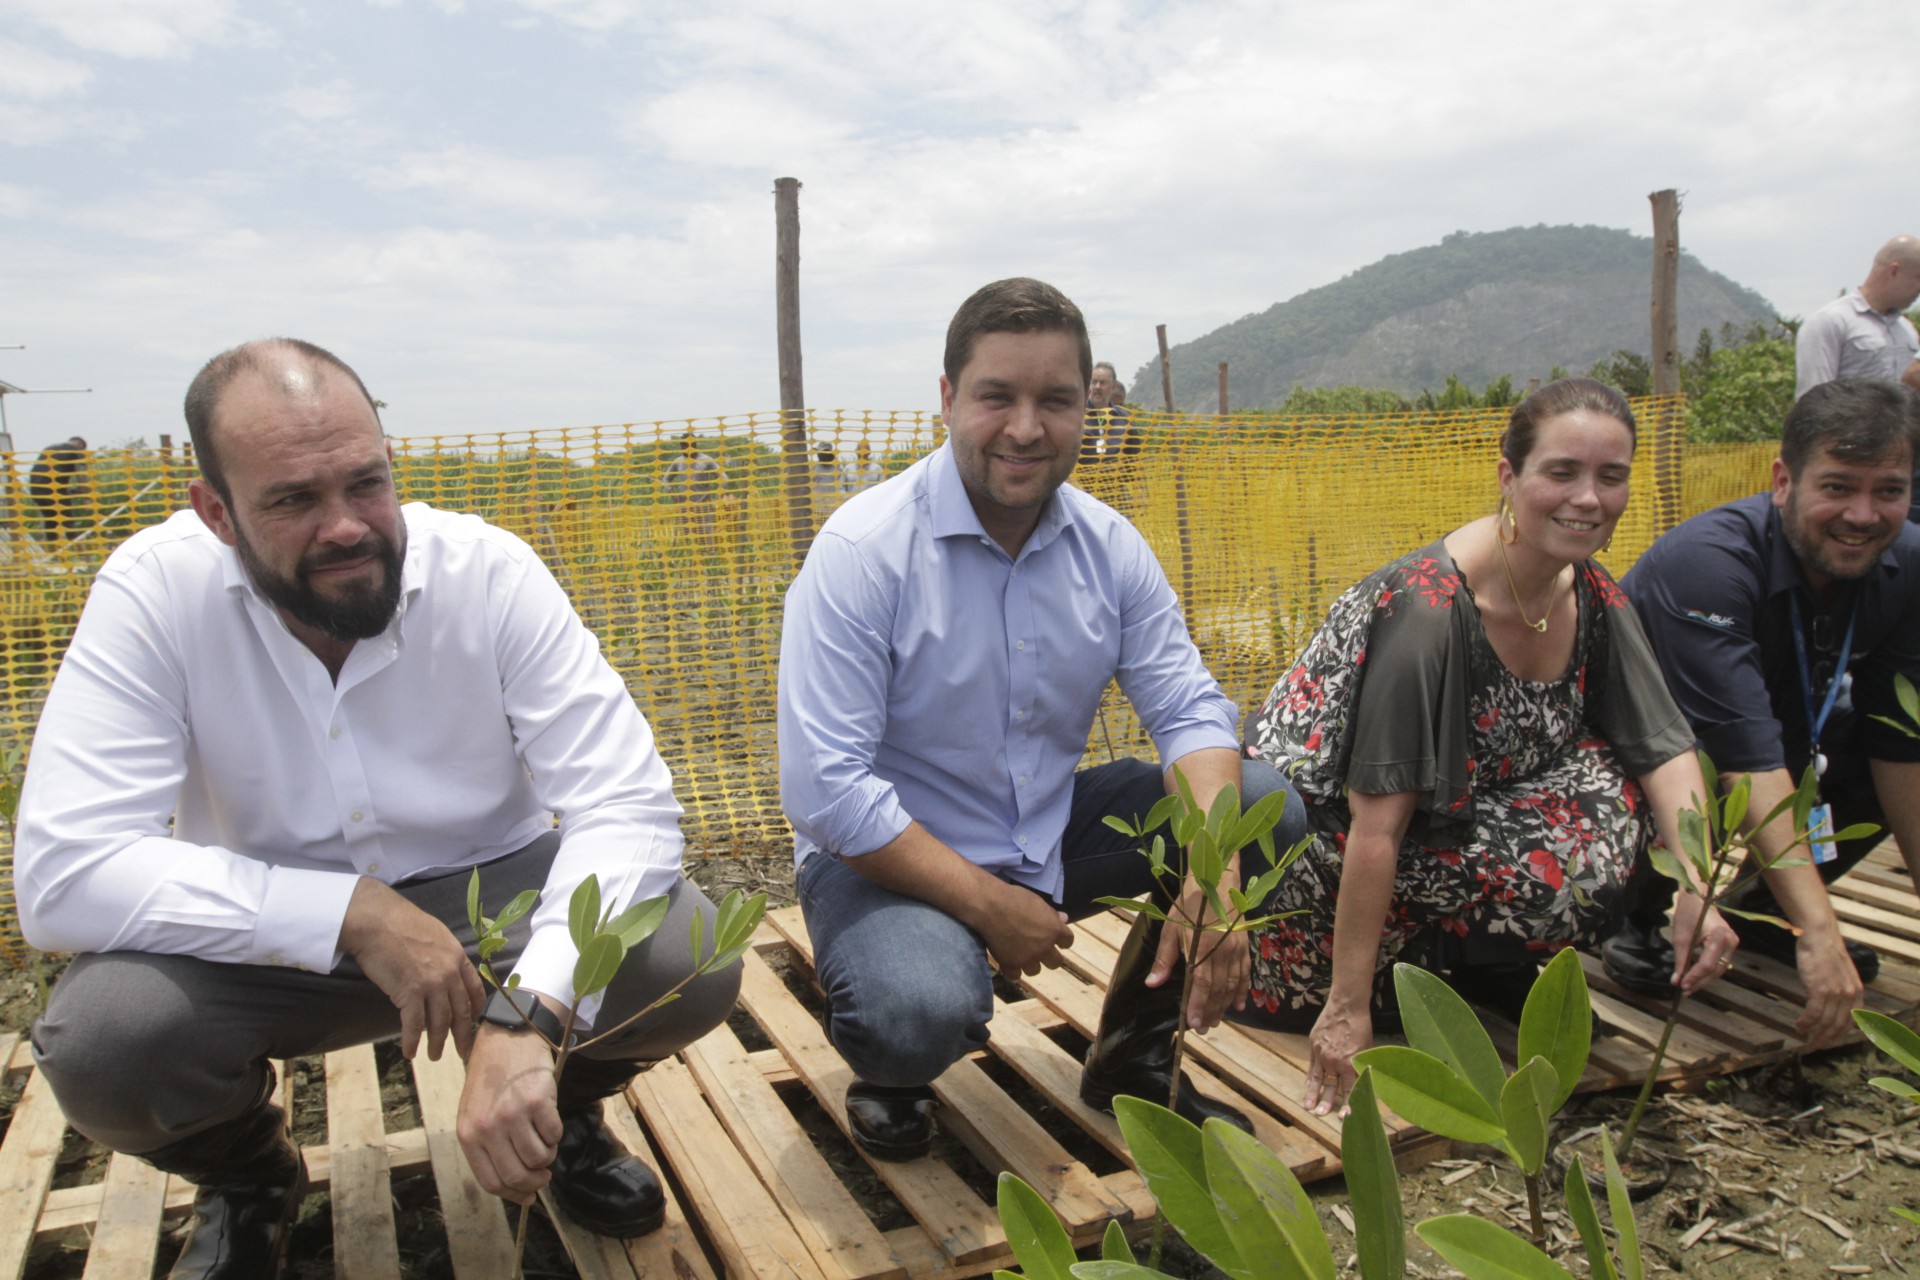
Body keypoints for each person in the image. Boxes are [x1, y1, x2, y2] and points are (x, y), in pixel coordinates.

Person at [16, 339, 740, 1279]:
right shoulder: (156, 594)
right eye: (292, 500)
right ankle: (250, 1180)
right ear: (215, 513)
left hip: (498, 912)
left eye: (366, 483)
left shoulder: (487, 572)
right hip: (272, 943)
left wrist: (531, 1012)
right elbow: (64, 871)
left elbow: (626, 803)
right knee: (111, 1044)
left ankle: (559, 1115)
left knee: (686, 952)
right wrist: (351, 913)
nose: (348, 527)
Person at [778, 278, 1305, 1161]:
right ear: (948, 399)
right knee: (918, 1011)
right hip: (884, 863)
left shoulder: (1109, 548)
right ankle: (894, 1069)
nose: (1026, 428)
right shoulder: (864, 553)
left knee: (1265, 808)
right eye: (997, 397)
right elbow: (827, 793)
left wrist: (1213, 872)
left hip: (1044, 832)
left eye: (1055, 400)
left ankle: (1134, 1054)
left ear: (1085, 408)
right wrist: (991, 907)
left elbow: (1186, 710)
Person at [1239, 378, 1739, 1116]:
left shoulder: (1590, 593)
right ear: (1510, 477)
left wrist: (1701, 887)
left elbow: (1664, 749)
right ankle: (1398, 974)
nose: (1588, 499)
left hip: (1450, 828)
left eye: (1611, 476)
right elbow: (1375, 827)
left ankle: (1478, 962)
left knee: (1616, 794)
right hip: (1323, 849)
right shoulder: (1430, 612)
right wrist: (1346, 1011)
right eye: (1561, 473)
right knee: (1541, 847)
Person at [1601, 378, 1920, 1047]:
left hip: (1778, 744)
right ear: (1784, 480)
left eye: (1888, 490)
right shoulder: (1709, 565)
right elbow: (1743, 757)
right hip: (1648, 761)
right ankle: (1639, 922)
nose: (1863, 515)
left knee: (1878, 750)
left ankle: (1774, 910)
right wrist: (1824, 931)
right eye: (1838, 487)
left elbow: (1901, 743)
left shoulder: (1906, 567)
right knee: (1645, 780)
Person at [1795, 237, 1920, 402]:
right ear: (1893, 271)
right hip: (1852, 428)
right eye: (1918, 278)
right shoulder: (1830, 321)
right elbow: (1812, 404)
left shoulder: (1906, 328)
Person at [26, 435, 91, 542]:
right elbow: (82, 475)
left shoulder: (49, 448)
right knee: (68, 521)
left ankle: (53, 551)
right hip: (54, 489)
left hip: (36, 490)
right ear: (81, 447)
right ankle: (78, 550)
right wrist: (87, 497)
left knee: (51, 521)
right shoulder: (76, 451)